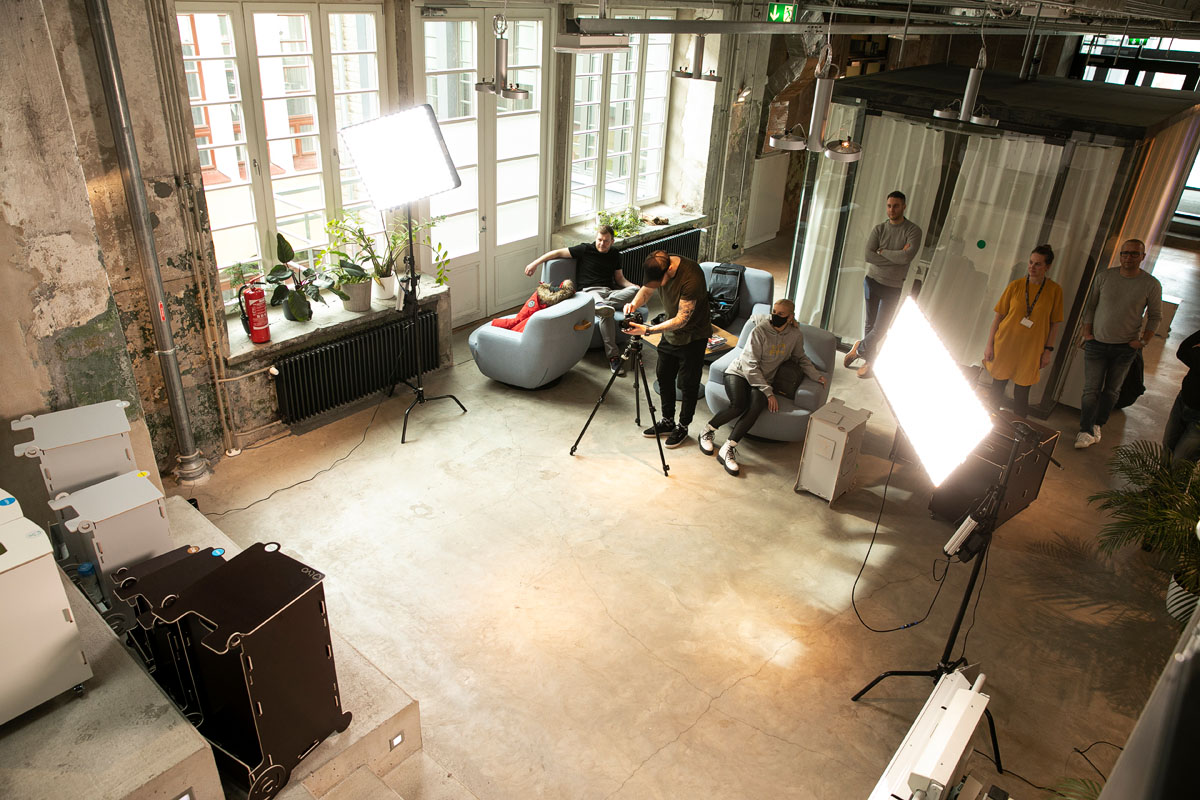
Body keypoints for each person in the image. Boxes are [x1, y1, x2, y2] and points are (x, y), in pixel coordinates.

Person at [698, 299, 827, 477]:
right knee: (739, 404)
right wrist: (769, 392)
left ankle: (728, 447)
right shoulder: (759, 331)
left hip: (763, 379)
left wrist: (815, 375)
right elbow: (750, 365)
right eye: (774, 311)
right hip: (739, 373)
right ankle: (707, 431)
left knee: (757, 404)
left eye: (781, 314)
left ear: (790, 317)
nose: (775, 316)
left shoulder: (795, 335)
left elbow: (801, 357)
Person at [1076, 238, 1163, 449]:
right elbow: (1091, 306)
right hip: (1096, 343)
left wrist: (1143, 341)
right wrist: (1087, 332)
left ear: (1142, 257)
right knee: (1090, 390)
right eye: (1125, 253)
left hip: (1125, 348)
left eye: (1134, 254)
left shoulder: (1150, 284)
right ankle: (1085, 430)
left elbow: (1155, 316)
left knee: (1112, 391)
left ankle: (1098, 424)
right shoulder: (1105, 277)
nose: (1128, 257)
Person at [622, 250, 712, 448]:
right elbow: (646, 290)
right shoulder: (656, 264)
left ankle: (683, 426)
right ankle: (668, 421)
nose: (656, 285)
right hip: (670, 333)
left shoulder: (692, 277)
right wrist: (633, 304)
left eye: (659, 281)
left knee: (688, 384)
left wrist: (648, 330)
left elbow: (681, 320)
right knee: (663, 376)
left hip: (693, 336)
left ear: (669, 269)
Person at [524, 225, 640, 374]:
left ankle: (598, 306)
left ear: (612, 241)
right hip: (589, 292)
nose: (601, 244)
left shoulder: (615, 254)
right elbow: (557, 252)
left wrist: (634, 288)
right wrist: (534, 263)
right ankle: (614, 357)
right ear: (596, 238)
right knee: (607, 314)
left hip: (610, 293)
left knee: (636, 291)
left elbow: (620, 279)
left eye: (606, 241)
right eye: (599, 240)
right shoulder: (585, 249)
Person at [844, 191, 923, 379]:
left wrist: (883, 252)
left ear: (904, 206)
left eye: (896, 206)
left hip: (893, 286)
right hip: (872, 281)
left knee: (881, 327)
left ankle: (859, 348)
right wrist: (895, 257)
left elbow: (907, 257)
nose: (891, 209)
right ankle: (869, 361)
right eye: (889, 206)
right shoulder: (879, 229)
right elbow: (869, 256)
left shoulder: (913, 231)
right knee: (870, 324)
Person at [982, 245, 1064, 418]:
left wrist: (1047, 351)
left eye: (1038, 264)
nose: (1032, 267)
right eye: (1031, 262)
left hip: (1031, 349)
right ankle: (989, 427)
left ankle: (1018, 433)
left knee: (1022, 393)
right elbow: (998, 317)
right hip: (1005, 343)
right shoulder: (1016, 286)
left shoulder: (1054, 291)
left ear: (1047, 267)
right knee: (997, 388)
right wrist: (989, 345)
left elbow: (1054, 324)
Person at [1163, 329, 1200, 462]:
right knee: (1168, 448)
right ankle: (1159, 482)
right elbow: (1183, 351)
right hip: (1183, 401)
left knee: (1182, 460)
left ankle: (1172, 483)